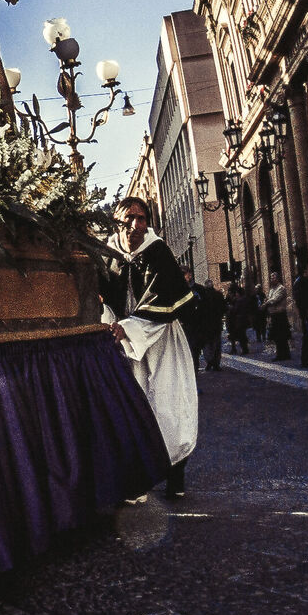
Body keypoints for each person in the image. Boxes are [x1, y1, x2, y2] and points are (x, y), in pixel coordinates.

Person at [100, 197, 198, 497]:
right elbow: (101, 297)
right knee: (129, 408)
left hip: (161, 338)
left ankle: (175, 475)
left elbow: (166, 300)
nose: (134, 224)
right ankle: (137, 481)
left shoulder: (157, 251)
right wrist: (110, 324)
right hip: (122, 344)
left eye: (141, 218)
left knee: (168, 405)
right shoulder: (107, 254)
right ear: (116, 221)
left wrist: (128, 328)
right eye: (128, 218)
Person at [263, 274, 294, 362]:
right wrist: (266, 301)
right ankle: (281, 354)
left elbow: (275, 300)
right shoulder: (272, 289)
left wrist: (266, 303)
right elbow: (269, 298)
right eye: (271, 278)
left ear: (278, 278)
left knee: (282, 335)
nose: (272, 279)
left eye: (274, 278)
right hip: (274, 315)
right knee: (277, 336)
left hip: (280, 315)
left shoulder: (281, 288)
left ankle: (284, 354)